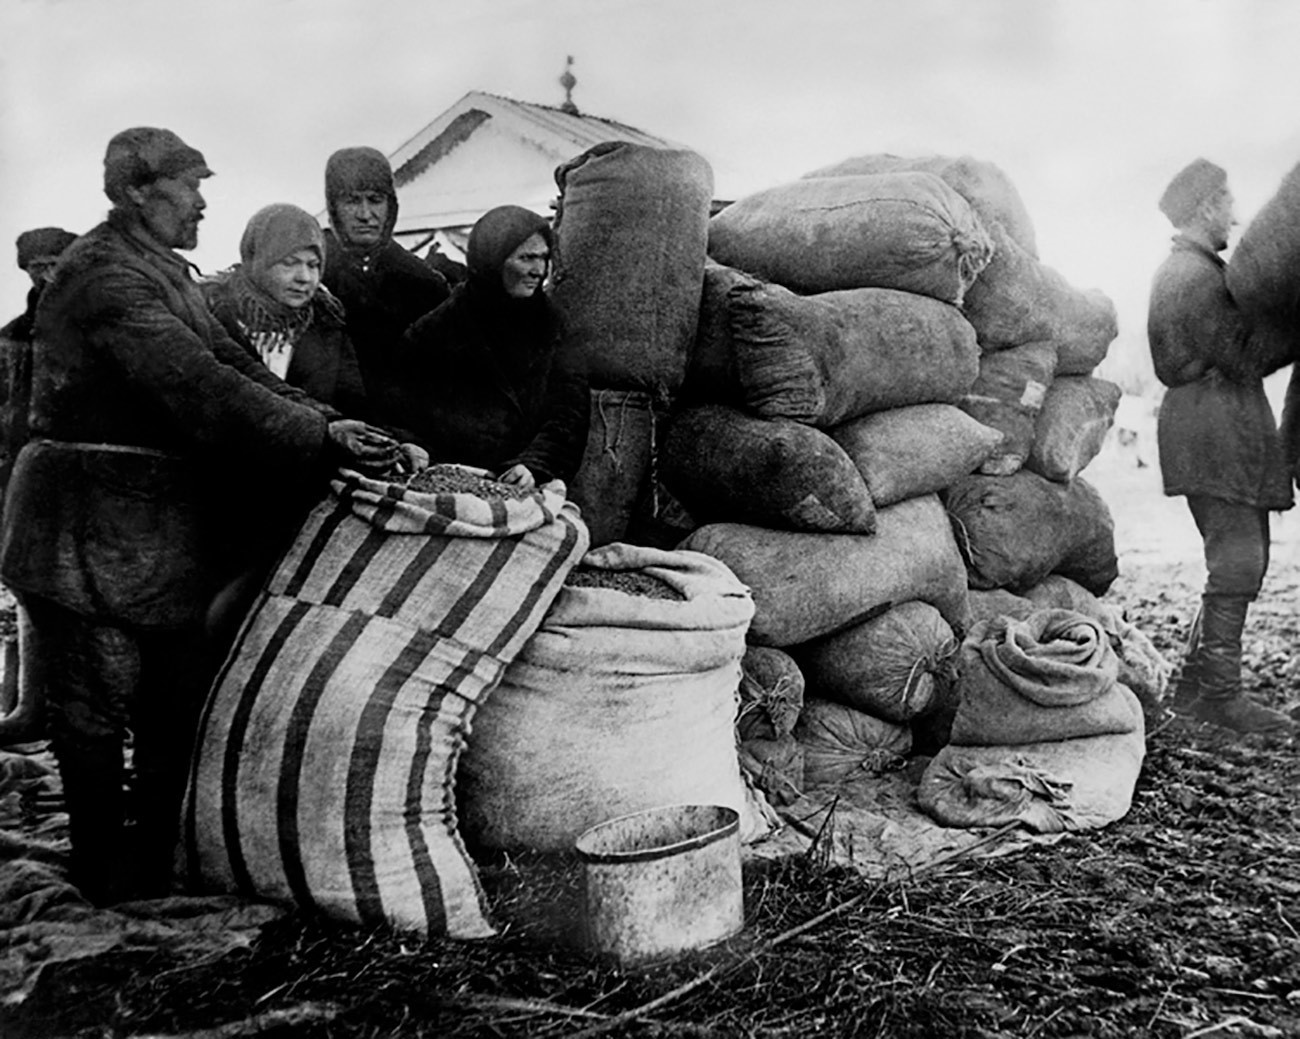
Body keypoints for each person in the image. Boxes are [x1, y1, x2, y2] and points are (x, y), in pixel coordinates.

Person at [0, 127, 402, 905]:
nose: (204, 202)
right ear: (138, 193)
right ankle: (98, 871)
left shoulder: (165, 273)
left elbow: (231, 361)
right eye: (190, 188)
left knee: (171, 696)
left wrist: (326, 421)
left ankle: (150, 861)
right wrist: (320, 435)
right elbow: (192, 384)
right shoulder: (102, 275)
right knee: (94, 701)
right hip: (83, 518)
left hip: (152, 524)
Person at [1147, 158, 1295, 737]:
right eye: (1228, 202)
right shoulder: (1194, 278)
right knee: (1237, 560)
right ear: (1207, 207)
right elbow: (1245, 355)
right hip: (1213, 431)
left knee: (1236, 557)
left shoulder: (1191, 271)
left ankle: (1194, 684)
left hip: (1213, 426)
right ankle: (1220, 695)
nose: (1235, 213)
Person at [398, 204, 589, 488]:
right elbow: (405, 412)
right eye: (526, 258)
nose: (538, 270)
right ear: (492, 260)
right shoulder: (434, 331)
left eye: (544, 258)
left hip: (524, 479)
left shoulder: (554, 326)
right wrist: (418, 451)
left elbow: (569, 413)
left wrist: (535, 464)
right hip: (447, 480)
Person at [202, 203, 370, 418]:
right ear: (257, 261)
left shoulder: (327, 326)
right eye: (289, 263)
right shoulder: (211, 315)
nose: (304, 278)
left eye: (313, 265)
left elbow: (356, 410)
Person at [321, 146, 449, 423]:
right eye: (352, 201)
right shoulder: (311, 271)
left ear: (390, 206)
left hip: (408, 433)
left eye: (375, 200)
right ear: (333, 207)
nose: (365, 214)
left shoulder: (424, 283)